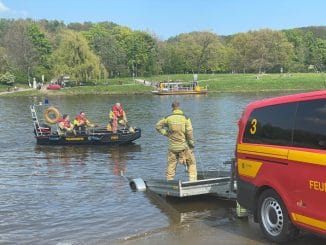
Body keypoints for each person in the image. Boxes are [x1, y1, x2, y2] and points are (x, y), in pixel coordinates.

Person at [156, 101, 197, 181]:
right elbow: (189, 132)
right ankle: (192, 181)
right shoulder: (186, 118)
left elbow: (158, 126)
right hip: (184, 147)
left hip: (172, 148)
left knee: (171, 167)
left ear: (172, 108)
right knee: (191, 164)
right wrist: (191, 144)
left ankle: (169, 182)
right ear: (179, 107)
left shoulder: (168, 118)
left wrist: (166, 133)